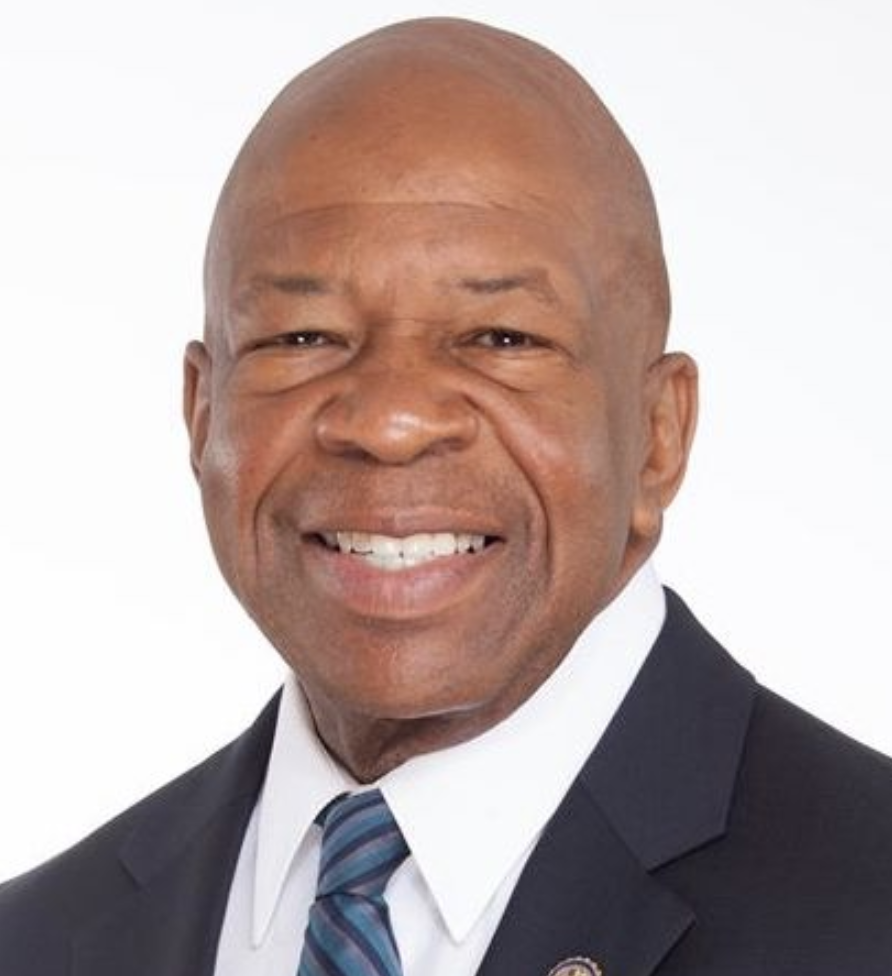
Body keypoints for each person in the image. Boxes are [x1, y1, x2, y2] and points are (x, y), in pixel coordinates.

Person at [2, 16, 892, 976]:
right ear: (201, 412)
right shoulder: (38, 941)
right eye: (302, 337)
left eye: (501, 338)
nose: (390, 422)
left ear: (658, 435)